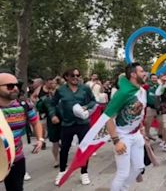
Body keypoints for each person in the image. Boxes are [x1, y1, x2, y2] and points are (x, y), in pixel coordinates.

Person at [0, 73, 44, 191]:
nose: (16, 88)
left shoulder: (24, 105)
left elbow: (36, 121)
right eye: (10, 86)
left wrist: (40, 139)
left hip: (16, 160)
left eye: (17, 85)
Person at [50, 68, 96, 186]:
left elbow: (93, 101)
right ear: (66, 77)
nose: (76, 77)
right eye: (73, 75)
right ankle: (62, 171)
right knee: (64, 148)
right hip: (67, 123)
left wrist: (86, 106)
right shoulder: (61, 90)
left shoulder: (84, 88)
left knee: (84, 148)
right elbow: (52, 104)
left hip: (82, 123)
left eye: (78, 75)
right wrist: (53, 115)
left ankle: (84, 172)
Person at [105, 63, 147, 191]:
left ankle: (123, 189)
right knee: (123, 173)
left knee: (139, 167)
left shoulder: (142, 90)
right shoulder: (122, 93)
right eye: (142, 71)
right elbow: (107, 117)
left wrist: (141, 126)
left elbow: (140, 111)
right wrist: (116, 141)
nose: (145, 73)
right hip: (122, 136)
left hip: (136, 134)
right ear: (133, 75)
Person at [144, 74, 159, 140]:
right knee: (148, 122)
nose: (154, 79)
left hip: (159, 108)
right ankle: (147, 134)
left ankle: (160, 134)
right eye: (153, 78)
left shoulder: (159, 86)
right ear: (150, 79)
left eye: (155, 78)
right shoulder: (147, 86)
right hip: (150, 107)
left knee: (161, 122)